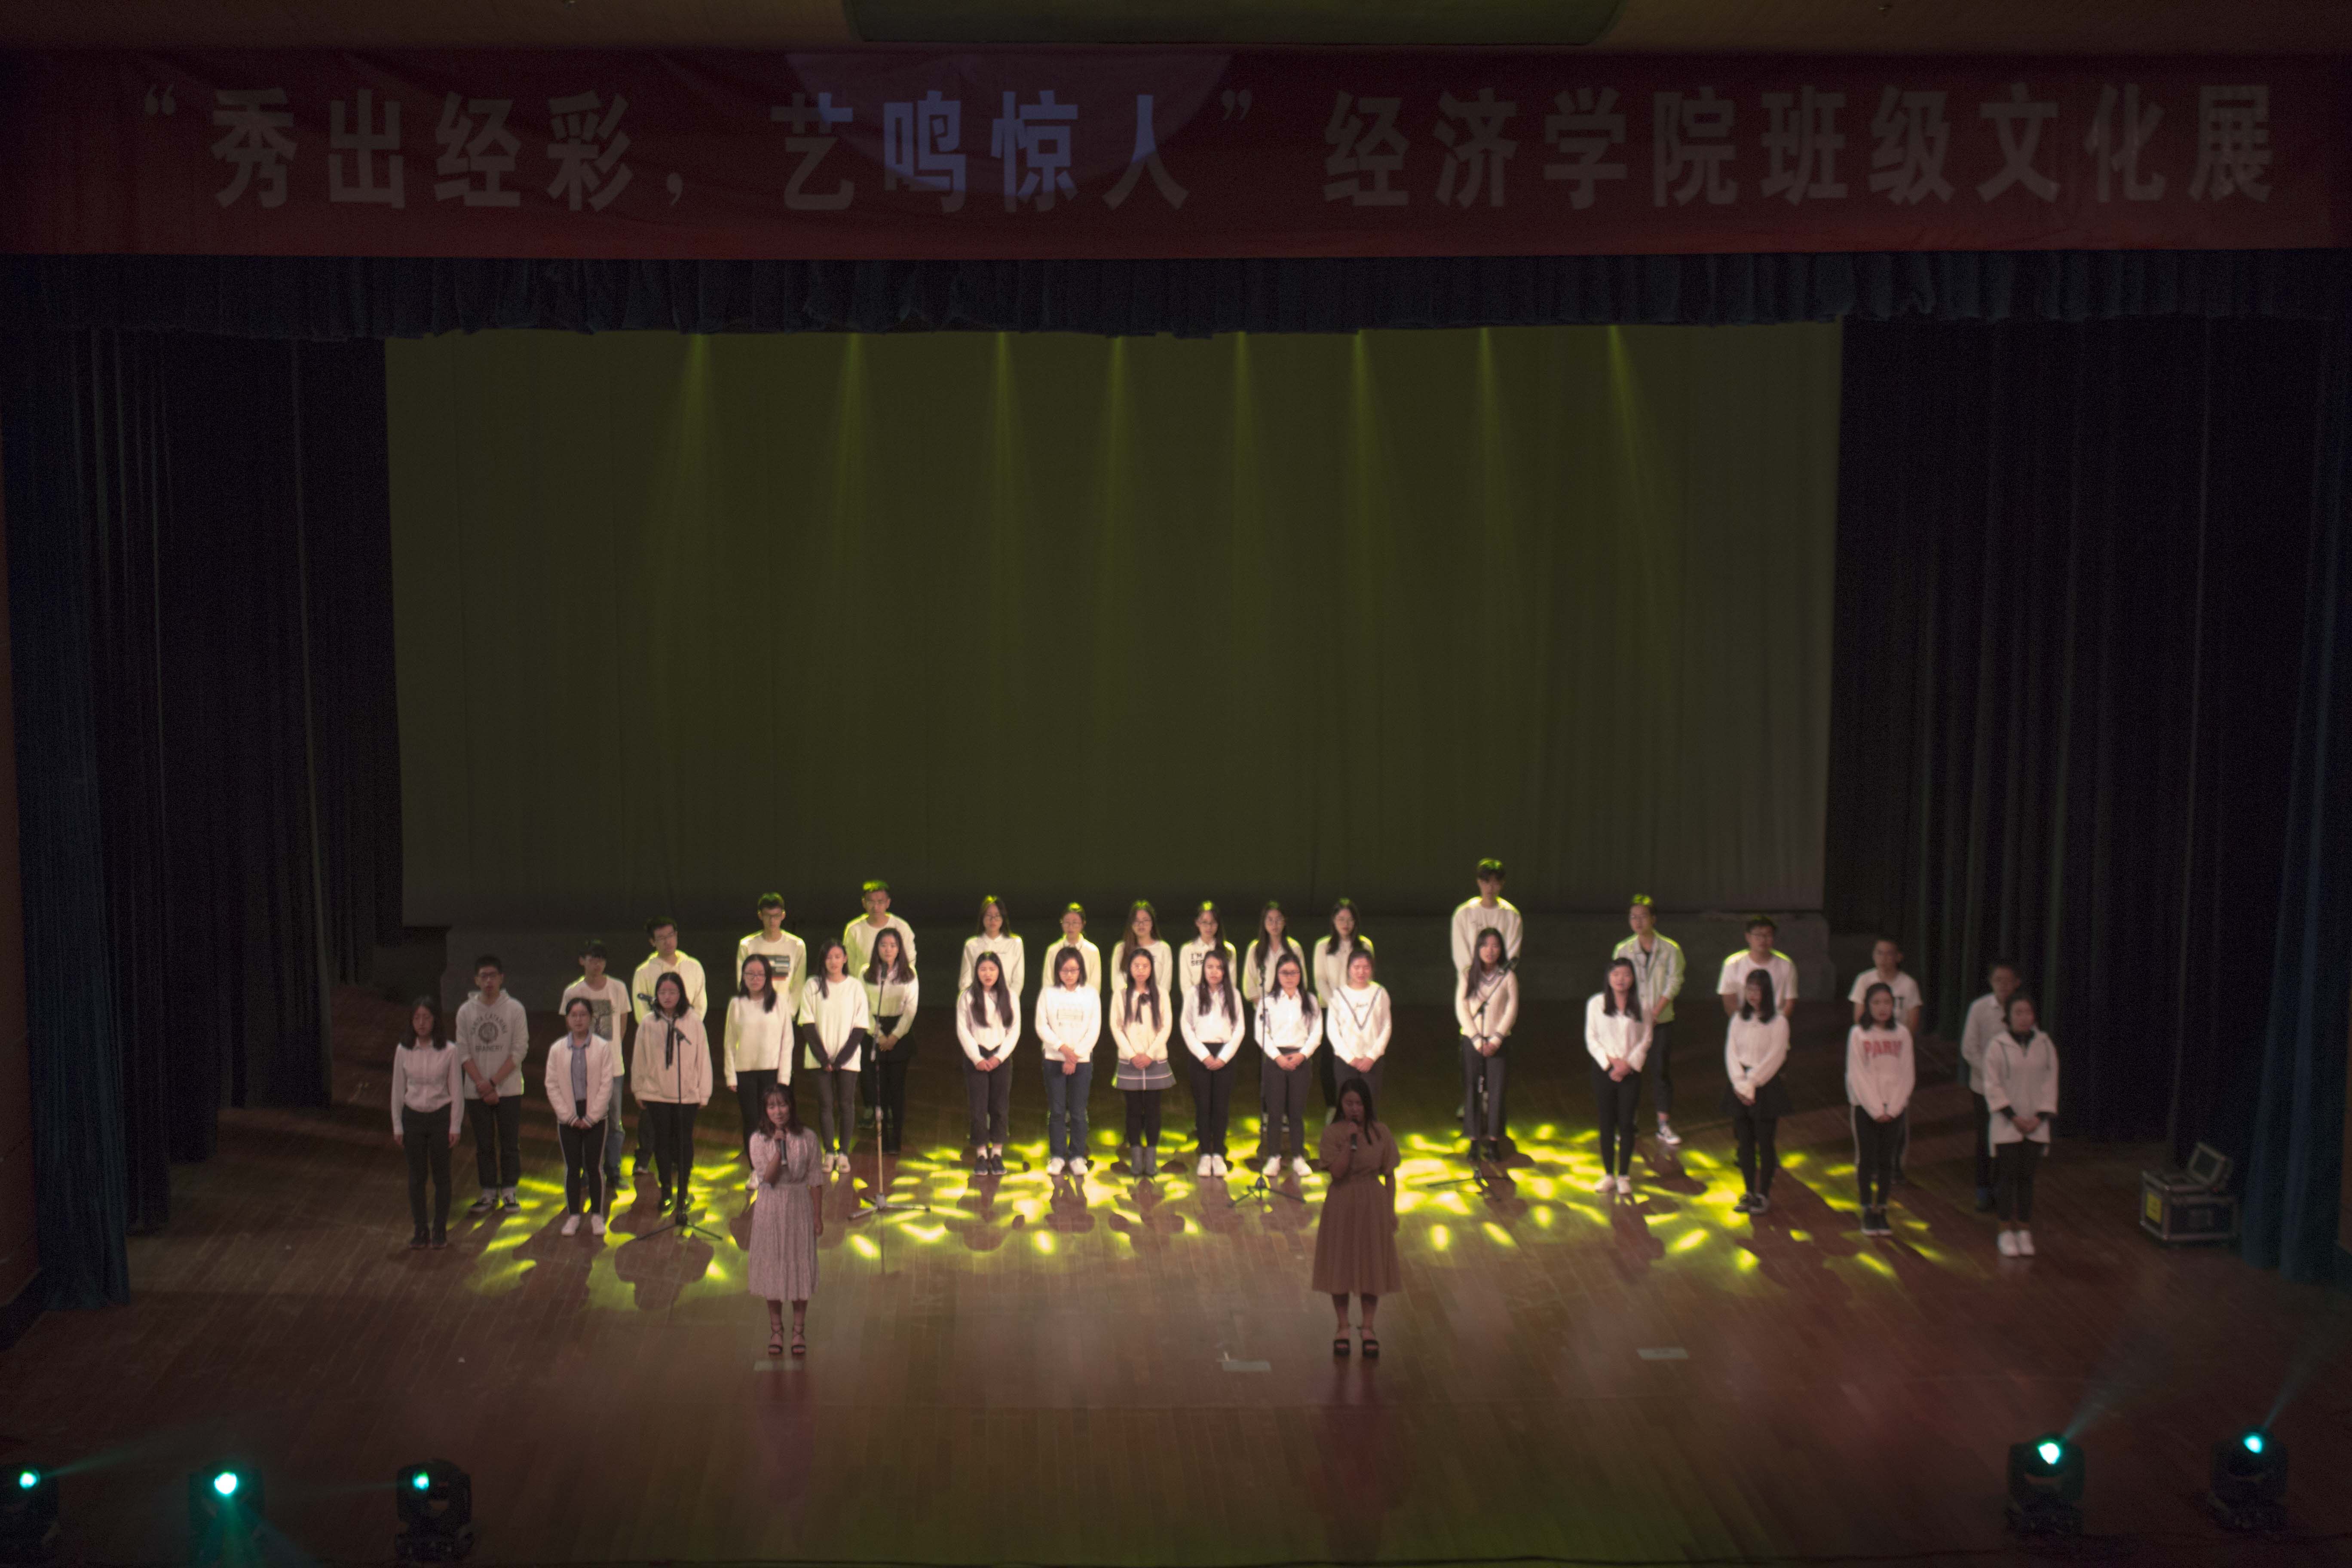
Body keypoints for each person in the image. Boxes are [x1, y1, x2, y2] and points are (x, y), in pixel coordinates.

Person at [1313, 1077, 1400, 1360]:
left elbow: (1390, 1176)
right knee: (1340, 1264)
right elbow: (1337, 1173)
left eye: (1359, 1104)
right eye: (1349, 1103)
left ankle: (1369, 1328)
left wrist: (1390, 1211)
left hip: (1372, 1202)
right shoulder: (1333, 1134)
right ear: (1341, 1104)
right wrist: (1350, 1145)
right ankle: (1342, 1327)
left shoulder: (1381, 1132)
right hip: (1342, 1201)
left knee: (1371, 1265)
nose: (1354, 1109)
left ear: (1367, 1105)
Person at [746, 1080, 824, 1359]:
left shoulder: (808, 1138)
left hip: (799, 1204)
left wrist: (818, 1216)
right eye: (771, 1106)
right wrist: (778, 1149)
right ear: (765, 1111)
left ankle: (799, 1331)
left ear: (791, 1106)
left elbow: (816, 1179)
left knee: (799, 1265)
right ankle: (776, 1330)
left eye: (782, 1105)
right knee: (774, 1267)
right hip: (770, 1206)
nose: (778, 1111)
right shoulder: (758, 1140)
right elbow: (767, 1178)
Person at [633, 969, 713, 1221]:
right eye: (662, 992)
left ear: (681, 994)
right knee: (662, 1142)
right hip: (656, 1093)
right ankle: (666, 1191)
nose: (667, 997)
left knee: (684, 1141)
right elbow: (639, 1058)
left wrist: (704, 1092)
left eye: (672, 992)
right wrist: (638, 1089)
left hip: (686, 1094)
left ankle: (684, 1192)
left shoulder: (693, 1021)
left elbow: (703, 1058)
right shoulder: (649, 1023)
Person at [1984, 995, 2059, 1259]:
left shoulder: (2045, 1044)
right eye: (2018, 1013)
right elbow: (1992, 1085)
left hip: (2036, 1124)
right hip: (2008, 1123)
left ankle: (2025, 1230)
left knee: (2027, 1178)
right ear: (2008, 1017)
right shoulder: (1997, 1046)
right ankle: (2005, 1230)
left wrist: (2039, 1117)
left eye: (2028, 1012)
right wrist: (2013, 1116)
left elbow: (2051, 1082)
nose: (2024, 1018)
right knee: (2007, 1177)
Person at [632, 918, 708, 1176]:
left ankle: (679, 1159)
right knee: (653, 1105)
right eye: (661, 938)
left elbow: (700, 1005)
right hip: (656, 1044)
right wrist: (661, 1028)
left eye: (671, 935)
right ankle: (644, 1156)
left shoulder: (693, 966)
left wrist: (686, 1027)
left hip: (685, 1042)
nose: (668, 941)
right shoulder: (644, 971)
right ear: (652, 942)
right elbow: (641, 1012)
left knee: (680, 1107)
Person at [455, 954, 528, 1215]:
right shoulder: (466, 1011)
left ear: (501, 978)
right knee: (484, 1145)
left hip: (509, 1089)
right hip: (476, 1091)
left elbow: (520, 1050)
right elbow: (463, 1052)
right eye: (484, 976)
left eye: (493, 976)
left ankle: (509, 1190)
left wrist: (493, 1083)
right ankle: (487, 1192)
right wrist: (482, 1085)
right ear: (476, 980)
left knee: (510, 1143)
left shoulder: (515, 1009)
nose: (489, 981)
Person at [561, 941, 633, 1203]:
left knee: (614, 1122)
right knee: (586, 1120)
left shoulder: (618, 988)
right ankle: (589, 1171)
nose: (597, 964)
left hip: (613, 1068)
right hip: (583, 1069)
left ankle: (614, 1171)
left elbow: (622, 1024)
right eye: (592, 958)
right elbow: (570, 1028)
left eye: (601, 959)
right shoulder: (574, 991)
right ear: (582, 960)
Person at [1614, 896, 1687, 1149]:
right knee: (1630, 1072)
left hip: (1661, 1021)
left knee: (1660, 1071)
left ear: (1653, 919)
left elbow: (1675, 981)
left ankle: (1663, 1125)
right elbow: (1618, 982)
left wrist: (1655, 1012)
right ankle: (1628, 1123)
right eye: (1633, 917)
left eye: (1643, 916)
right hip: (1632, 1022)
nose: (1638, 921)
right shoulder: (1623, 949)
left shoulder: (1671, 949)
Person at [390, 997, 463, 1250]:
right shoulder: (403, 1050)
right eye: (417, 1018)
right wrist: (397, 1125)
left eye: (427, 1018)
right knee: (416, 1177)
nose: (422, 1023)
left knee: (442, 1177)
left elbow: (457, 1091)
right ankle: (420, 1229)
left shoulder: (450, 1050)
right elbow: (398, 1090)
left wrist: (455, 1125)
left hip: (440, 1117)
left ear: (435, 1020)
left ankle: (440, 1229)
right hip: (413, 1117)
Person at [795, 938, 872, 1173]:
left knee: (847, 1104)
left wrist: (841, 1060)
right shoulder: (812, 986)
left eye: (838, 957)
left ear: (845, 959)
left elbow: (860, 1026)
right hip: (820, 1059)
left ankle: (844, 1153)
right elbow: (807, 1023)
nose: (834, 962)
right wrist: (824, 1059)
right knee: (826, 1105)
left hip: (847, 1059)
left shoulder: (855, 987)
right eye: (829, 957)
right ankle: (829, 1151)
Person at [1847, 981, 1916, 1238]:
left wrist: (1894, 1107)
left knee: (1888, 1160)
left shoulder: (1902, 1035)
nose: (1883, 1008)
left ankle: (1883, 1209)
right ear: (1868, 1006)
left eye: (1887, 1002)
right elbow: (1858, 1075)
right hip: (1866, 1108)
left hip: (1894, 1108)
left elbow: (1907, 1073)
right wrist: (1877, 1108)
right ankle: (1867, 1208)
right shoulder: (1858, 1034)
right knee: (1867, 1160)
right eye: (1876, 1003)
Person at [1723, 971, 1792, 1213]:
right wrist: (1740, 1083)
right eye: (1750, 990)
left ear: (1767, 992)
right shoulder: (1737, 1019)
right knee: (1744, 1143)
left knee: (1765, 1143)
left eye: (1758, 990)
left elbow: (1776, 1056)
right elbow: (1731, 1052)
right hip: (1740, 1086)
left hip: (1766, 1087)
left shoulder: (1779, 1022)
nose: (1753, 995)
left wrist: (1752, 1082)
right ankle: (1749, 1191)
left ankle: (1763, 1194)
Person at [546, 997, 616, 1236]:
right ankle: (574, 1215)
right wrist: (568, 1116)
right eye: (574, 1015)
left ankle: (597, 1215)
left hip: (595, 1115)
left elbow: (607, 1084)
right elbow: (552, 1085)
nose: (578, 1020)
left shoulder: (602, 1047)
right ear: (567, 1019)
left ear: (591, 1018)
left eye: (583, 1015)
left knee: (594, 1167)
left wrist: (592, 1117)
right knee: (572, 1167)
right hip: (568, 1116)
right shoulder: (557, 1049)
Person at [724, 954, 793, 1192]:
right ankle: (756, 1169)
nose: (755, 979)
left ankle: (777, 1167)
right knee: (751, 1121)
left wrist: (784, 1077)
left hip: (772, 1071)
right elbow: (729, 1043)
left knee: (775, 1121)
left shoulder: (779, 1003)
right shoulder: (736, 1004)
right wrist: (731, 1075)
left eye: (760, 974)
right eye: (750, 974)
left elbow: (787, 1041)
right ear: (743, 977)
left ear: (768, 977)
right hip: (745, 1071)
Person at [1958, 960, 2023, 1210]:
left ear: (2017, 983)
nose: (2003, 986)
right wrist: (1993, 1075)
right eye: (1998, 981)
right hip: (1984, 1086)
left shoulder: (2022, 1009)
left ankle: (2003, 1188)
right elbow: (1969, 1048)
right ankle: (1983, 1190)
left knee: (2009, 1140)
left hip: (2014, 1088)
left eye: (2008, 981)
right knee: (1986, 1138)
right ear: (1991, 982)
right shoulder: (1980, 1008)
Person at [1586, 957, 1652, 1198]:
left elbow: (1646, 1038)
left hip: (1630, 1072)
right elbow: (1592, 1037)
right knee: (1606, 1123)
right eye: (1615, 975)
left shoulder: (1642, 1005)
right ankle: (1608, 1174)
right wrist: (1612, 1062)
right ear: (1608, 978)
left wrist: (1628, 1064)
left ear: (1633, 978)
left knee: (1626, 1124)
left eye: (1625, 975)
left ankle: (1624, 1175)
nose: (1620, 980)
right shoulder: (1597, 1003)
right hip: (1605, 1070)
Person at [1035, 946, 1103, 1177]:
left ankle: (1077, 1156)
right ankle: (1057, 1156)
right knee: (1056, 1110)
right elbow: (1042, 1025)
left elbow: (1094, 1029)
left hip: (1082, 1061)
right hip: (1054, 1058)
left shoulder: (1091, 994)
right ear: (1058, 971)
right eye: (1065, 970)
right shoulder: (1048, 993)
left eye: (1074, 970)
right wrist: (1063, 1050)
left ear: (1081, 970)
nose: (1070, 975)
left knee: (1078, 1111)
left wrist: (1075, 1056)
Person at [1256, 951, 1323, 1179]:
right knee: (1275, 1113)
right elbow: (1260, 1032)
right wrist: (1277, 1057)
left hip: (1300, 1060)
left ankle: (1298, 1157)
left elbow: (1317, 1032)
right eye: (1285, 973)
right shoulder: (1268, 1001)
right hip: (1276, 1060)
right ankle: (1273, 1157)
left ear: (1301, 975)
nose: (1290, 977)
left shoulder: (1310, 1000)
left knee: (1296, 1112)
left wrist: (1303, 1055)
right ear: (1277, 975)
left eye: (1294, 973)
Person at [1181, 949, 1247, 1177]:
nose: (1214, 972)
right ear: (1203, 969)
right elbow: (1187, 1026)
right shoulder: (1194, 993)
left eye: (1219, 968)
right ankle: (1205, 1154)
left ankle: (1218, 1152)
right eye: (1210, 967)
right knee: (1203, 1106)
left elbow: (1239, 1028)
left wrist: (1224, 1057)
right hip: (1201, 1055)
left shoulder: (1233, 994)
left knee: (1221, 1106)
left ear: (1225, 971)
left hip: (1225, 1055)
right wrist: (1204, 1055)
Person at [1455, 928, 1518, 1162]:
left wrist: (1496, 1038)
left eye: (1495, 946)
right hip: (1473, 1041)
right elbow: (1462, 1008)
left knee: (1497, 1092)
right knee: (1472, 1090)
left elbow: (1511, 1009)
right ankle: (1473, 1141)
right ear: (1478, 949)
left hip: (1498, 1042)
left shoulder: (1507, 977)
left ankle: (1493, 1141)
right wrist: (1475, 1038)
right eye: (1485, 945)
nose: (1490, 951)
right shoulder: (1468, 975)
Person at [1110, 946, 1173, 1176]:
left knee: (1154, 1110)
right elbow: (1116, 1027)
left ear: (1151, 969)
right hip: (1131, 1061)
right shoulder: (1120, 995)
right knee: (1133, 1110)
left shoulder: (1161, 994)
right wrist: (1132, 1055)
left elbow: (1166, 1026)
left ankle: (1151, 1158)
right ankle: (1136, 1158)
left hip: (1155, 1059)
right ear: (1129, 969)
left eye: (1145, 966)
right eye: (1136, 966)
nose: (1140, 970)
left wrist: (1150, 1054)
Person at [955, 951, 1019, 1175]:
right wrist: (977, 1058)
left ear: (999, 971)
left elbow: (1014, 1030)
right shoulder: (967, 997)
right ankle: (982, 1153)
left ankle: (997, 1154)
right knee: (978, 1108)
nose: (988, 974)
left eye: (992, 969)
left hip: (1001, 1057)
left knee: (1000, 1107)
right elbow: (963, 1029)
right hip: (977, 1058)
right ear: (977, 972)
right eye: (983, 970)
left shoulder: (1010, 996)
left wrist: (999, 1057)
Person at [1311, 898, 1373, 1120]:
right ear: (1333, 921)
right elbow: (1320, 980)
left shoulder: (1365, 945)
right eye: (1341, 919)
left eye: (1349, 919)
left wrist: (1354, 1006)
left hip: (1359, 1011)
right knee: (1330, 1060)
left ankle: (1356, 1106)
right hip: (1331, 1010)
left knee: (1357, 1057)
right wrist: (1338, 1006)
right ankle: (1332, 1106)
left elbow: (1368, 978)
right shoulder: (1323, 946)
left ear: (1356, 922)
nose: (1345, 924)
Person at [862, 928, 921, 1155]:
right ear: (877, 948)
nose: (888, 950)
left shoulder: (909, 973)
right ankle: (882, 1137)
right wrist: (878, 1035)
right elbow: (863, 1006)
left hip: (899, 1035)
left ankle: (896, 1137)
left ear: (900, 949)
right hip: (874, 1032)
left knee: (897, 1089)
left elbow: (911, 1009)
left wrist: (894, 1036)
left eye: (893, 946)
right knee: (879, 1092)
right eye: (884, 945)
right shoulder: (866, 972)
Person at [1324, 949, 1391, 1102]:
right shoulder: (1339, 995)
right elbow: (1332, 1030)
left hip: (1372, 1062)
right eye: (1357, 967)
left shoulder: (1380, 992)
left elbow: (1386, 1026)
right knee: (1347, 1105)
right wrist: (1350, 1059)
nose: (1361, 972)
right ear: (1349, 968)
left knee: (1370, 1106)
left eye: (1366, 967)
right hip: (1345, 1061)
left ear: (1372, 969)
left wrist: (1372, 1057)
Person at [1449, 858, 1523, 976]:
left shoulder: (1512, 916)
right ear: (1479, 882)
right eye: (1486, 882)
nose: (1490, 888)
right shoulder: (1463, 914)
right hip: (1470, 980)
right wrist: (1473, 976)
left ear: (1502, 884)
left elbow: (1512, 954)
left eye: (1495, 883)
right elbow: (1460, 953)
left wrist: (1496, 978)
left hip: (1500, 981)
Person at [736, 893, 809, 1010]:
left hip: (784, 1012)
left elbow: (799, 984)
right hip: (755, 1011)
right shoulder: (747, 946)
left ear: (783, 915)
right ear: (760, 916)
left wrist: (789, 1012)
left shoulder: (796, 946)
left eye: (776, 916)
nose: (772, 921)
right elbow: (743, 982)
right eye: (768, 916)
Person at [1108, 900, 1175, 1022]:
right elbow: (1117, 983)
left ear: (1152, 923)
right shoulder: (1121, 949)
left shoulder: (1164, 949)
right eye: (1137, 921)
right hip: (1128, 1009)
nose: (1141, 925)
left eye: (1145, 920)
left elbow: (1165, 984)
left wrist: (1153, 1003)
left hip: (1155, 1009)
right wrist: (1132, 1002)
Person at [1718, 916, 1797, 1018]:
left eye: (1768, 935)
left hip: (1776, 1022)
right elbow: (1729, 1002)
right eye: (1758, 935)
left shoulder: (1786, 965)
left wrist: (1778, 1024)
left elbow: (1790, 1002)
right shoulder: (1732, 964)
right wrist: (1741, 1024)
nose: (1763, 940)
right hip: (1743, 1022)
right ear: (1748, 937)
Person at [958, 895, 1026, 1004]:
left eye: (997, 916)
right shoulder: (971, 945)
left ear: (1003, 918)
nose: (993, 920)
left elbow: (1018, 980)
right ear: (982, 917)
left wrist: (1009, 1002)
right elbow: (965, 980)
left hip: (1005, 1003)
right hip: (978, 1004)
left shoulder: (1015, 943)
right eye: (989, 916)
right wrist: (971, 1003)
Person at [1847, 937, 1924, 1032]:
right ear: (1873, 955)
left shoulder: (1909, 984)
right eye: (1879, 953)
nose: (1883, 959)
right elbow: (1859, 1018)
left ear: (1899, 957)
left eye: (1889, 954)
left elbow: (1913, 1022)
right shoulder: (1863, 979)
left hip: (1899, 1037)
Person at [844, 879, 918, 974]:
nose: (876, 907)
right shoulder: (854, 929)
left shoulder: (902, 927)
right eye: (871, 902)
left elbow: (910, 959)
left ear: (888, 903)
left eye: (880, 902)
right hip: (863, 982)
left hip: (896, 982)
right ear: (864, 903)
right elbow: (849, 963)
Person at [1242, 901, 1306, 1006]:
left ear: (1285, 921)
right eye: (1270, 920)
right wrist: (1262, 1005)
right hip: (1262, 1006)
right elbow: (1249, 982)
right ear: (1264, 922)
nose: (1274, 924)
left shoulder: (1294, 948)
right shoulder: (1255, 948)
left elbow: (1302, 981)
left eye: (1279, 920)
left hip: (1289, 1005)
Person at [1176, 900, 1238, 995]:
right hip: (1195, 1001)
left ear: (1218, 924)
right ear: (1197, 923)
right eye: (1205, 923)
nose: (1209, 927)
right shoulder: (1187, 950)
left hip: (1221, 1001)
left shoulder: (1229, 950)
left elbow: (1231, 984)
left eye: (1213, 923)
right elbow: (1186, 986)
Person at [1040, 903, 1102, 996]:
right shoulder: (1053, 950)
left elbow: (1095, 985)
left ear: (1083, 924)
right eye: (1067, 922)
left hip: (1085, 1002)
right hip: (1057, 1001)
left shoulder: (1092, 951)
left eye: (1075, 923)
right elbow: (1047, 982)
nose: (1071, 927)